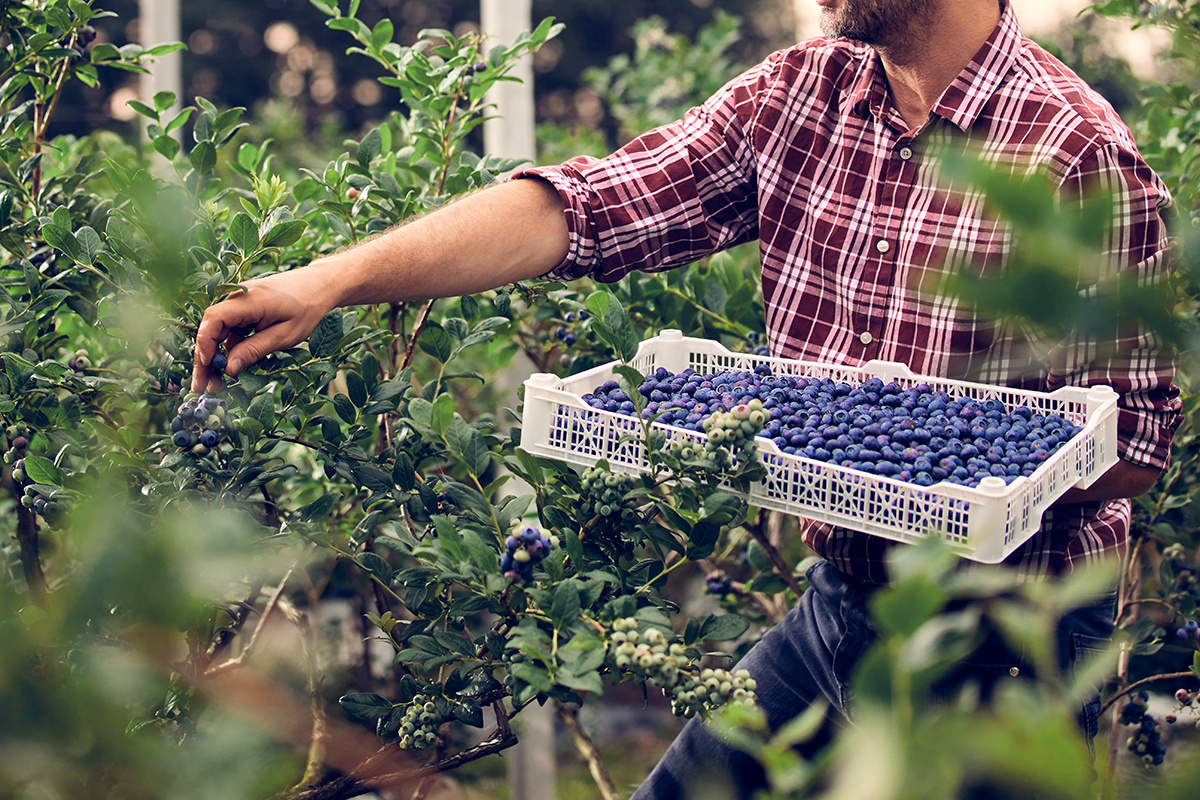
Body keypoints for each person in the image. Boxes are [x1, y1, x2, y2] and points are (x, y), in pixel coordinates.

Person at [193, 0, 1179, 796]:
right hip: (844, 602)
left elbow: (1136, 444)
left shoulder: (1077, 156)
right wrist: (327, 279)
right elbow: (584, 205)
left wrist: (964, 461)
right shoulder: (804, 93)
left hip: (1007, 647)